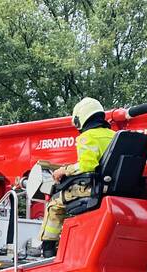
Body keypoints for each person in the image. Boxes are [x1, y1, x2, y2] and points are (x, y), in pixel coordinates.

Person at [38, 97, 116, 257]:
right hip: (115, 187)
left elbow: (87, 166)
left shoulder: (87, 137)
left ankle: (47, 249)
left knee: (54, 203)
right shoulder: (114, 135)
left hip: (94, 189)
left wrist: (64, 171)